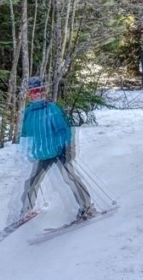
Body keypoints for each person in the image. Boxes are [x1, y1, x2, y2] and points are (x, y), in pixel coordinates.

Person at [16, 76, 97, 223]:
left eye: (38, 91)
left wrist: (65, 148)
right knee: (32, 182)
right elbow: (26, 134)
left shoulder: (52, 109)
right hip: (43, 153)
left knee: (70, 178)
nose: (35, 94)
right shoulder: (28, 113)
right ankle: (26, 210)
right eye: (32, 92)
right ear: (28, 94)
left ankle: (87, 207)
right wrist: (27, 151)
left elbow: (63, 129)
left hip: (59, 151)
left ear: (43, 91)